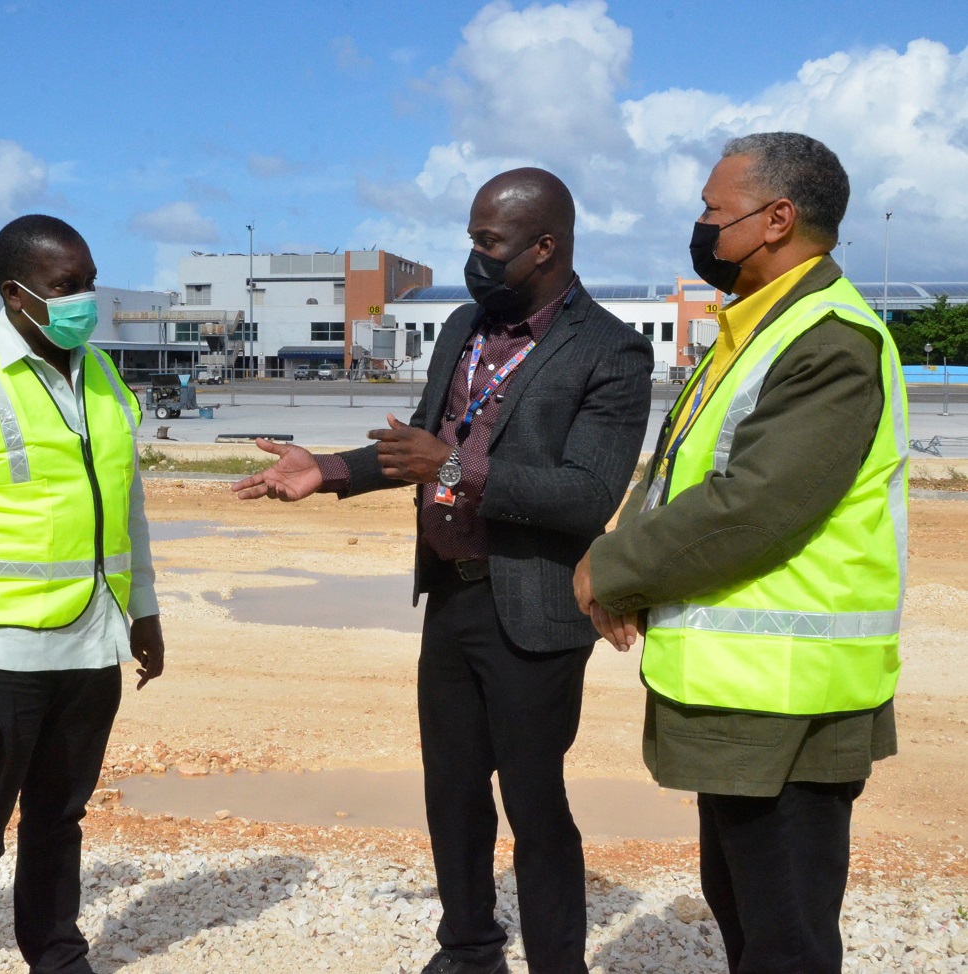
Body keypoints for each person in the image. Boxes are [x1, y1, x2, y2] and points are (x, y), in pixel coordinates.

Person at [233, 169, 652, 974]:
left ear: (544, 246)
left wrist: (455, 470)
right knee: (453, 795)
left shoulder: (610, 351)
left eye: (488, 243)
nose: (473, 256)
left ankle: (556, 964)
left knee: (533, 805)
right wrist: (327, 469)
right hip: (452, 600)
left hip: (533, 611)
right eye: (470, 238)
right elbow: (418, 445)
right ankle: (468, 950)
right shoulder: (465, 325)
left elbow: (587, 495)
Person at [574, 133, 907, 974]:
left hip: (790, 700)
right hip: (744, 694)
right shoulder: (754, 329)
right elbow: (680, 474)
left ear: (776, 220)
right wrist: (637, 572)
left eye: (715, 213)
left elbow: (754, 507)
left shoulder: (827, 340)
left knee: (784, 938)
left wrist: (609, 568)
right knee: (746, 916)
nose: (702, 227)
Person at [0, 214, 165, 974]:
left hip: (90, 645)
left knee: (60, 819)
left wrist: (143, 610)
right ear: (16, 295)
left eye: (88, 284)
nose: (85, 301)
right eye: (65, 288)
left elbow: (125, 505)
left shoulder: (101, 373)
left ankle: (55, 953)